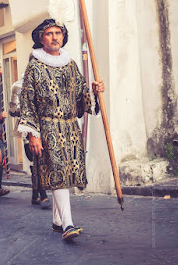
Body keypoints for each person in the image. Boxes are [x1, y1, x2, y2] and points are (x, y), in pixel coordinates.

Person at [18, 19, 104, 241]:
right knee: (57, 173)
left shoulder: (70, 64)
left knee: (65, 174)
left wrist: (95, 92)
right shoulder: (34, 67)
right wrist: (32, 135)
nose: (55, 37)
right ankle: (68, 224)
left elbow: (81, 95)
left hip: (69, 128)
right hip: (47, 127)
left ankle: (57, 221)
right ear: (41, 38)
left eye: (58, 33)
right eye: (49, 33)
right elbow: (28, 102)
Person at [9, 73, 51, 209]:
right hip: (29, 127)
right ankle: (43, 194)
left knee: (42, 160)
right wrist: (26, 110)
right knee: (35, 158)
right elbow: (12, 110)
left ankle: (35, 194)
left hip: (47, 126)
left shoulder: (48, 82)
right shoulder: (18, 85)